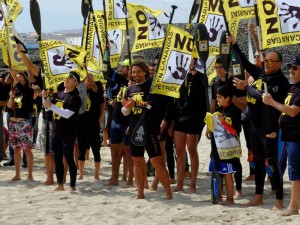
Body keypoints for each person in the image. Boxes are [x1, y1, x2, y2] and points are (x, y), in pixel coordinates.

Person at [227, 34, 290, 209]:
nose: (267, 63)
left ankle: (279, 200)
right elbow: (246, 64)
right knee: (258, 161)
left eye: (270, 61)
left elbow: (263, 97)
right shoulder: (261, 73)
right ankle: (259, 196)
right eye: (266, 60)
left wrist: (246, 87)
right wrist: (235, 45)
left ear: (279, 64)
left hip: (269, 128)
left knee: (272, 162)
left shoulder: (280, 82)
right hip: (254, 126)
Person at [121, 60, 172, 200]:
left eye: (138, 72)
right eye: (133, 72)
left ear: (145, 71)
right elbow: (125, 112)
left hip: (149, 128)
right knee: (137, 161)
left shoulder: (152, 86)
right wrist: (126, 107)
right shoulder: (130, 89)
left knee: (157, 162)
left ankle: (168, 193)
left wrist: (136, 103)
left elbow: (152, 107)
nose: (135, 74)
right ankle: (140, 193)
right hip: (134, 128)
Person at [262, 55, 300, 216]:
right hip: (287, 135)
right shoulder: (293, 87)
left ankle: (293, 206)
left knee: (294, 172)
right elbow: (284, 112)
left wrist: (271, 102)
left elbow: (292, 111)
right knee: (292, 170)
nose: (291, 70)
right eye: (290, 67)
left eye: (295, 68)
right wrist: (274, 128)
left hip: (296, 136)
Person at [205, 57, 246, 198]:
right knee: (217, 159)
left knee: (234, 159)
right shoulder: (215, 82)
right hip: (218, 124)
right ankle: (219, 192)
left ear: (226, 67)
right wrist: (209, 126)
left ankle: (238, 189)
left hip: (232, 121)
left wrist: (231, 95)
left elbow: (243, 105)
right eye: (215, 67)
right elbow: (212, 104)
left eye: (220, 67)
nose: (218, 70)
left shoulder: (234, 81)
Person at [169, 58, 208, 193]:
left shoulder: (201, 77)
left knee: (192, 150)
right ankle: (180, 184)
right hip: (180, 117)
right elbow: (174, 100)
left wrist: (193, 71)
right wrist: (171, 121)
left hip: (194, 118)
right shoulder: (179, 77)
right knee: (179, 152)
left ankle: (193, 184)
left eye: (191, 60)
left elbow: (204, 101)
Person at [42, 70, 82, 191]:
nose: (66, 79)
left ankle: (72, 185)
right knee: (57, 158)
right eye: (65, 77)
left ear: (76, 82)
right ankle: (60, 184)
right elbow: (48, 110)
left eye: (70, 78)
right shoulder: (58, 94)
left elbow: (67, 114)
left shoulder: (75, 97)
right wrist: (44, 98)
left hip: (68, 133)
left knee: (69, 157)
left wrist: (51, 106)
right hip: (56, 131)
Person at [208, 85, 242, 205]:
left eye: (219, 97)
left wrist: (222, 122)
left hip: (228, 148)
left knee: (227, 172)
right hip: (217, 147)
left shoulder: (233, 111)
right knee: (216, 170)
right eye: (216, 97)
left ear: (227, 98)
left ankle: (230, 198)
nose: (217, 99)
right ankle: (219, 195)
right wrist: (209, 126)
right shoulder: (219, 109)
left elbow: (234, 131)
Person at [6, 69, 34, 181]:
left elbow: (20, 85)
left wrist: (13, 73)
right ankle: (17, 174)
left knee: (27, 148)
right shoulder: (15, 90)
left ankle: (30, 175)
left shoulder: (28, 90)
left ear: (25, 79)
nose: (18, 78)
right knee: (16, 149)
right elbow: (8, 107)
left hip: (23, 123)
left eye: (20, 77)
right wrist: (11, 97)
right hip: (13, 122)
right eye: (17, 77)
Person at [77, 73, 104, 180]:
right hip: (81, 123)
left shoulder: (96, 91)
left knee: (96, 150)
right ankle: (81, 174)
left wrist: (87, 72)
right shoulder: (81, 91)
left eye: (90, 80)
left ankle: (96, 174)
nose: (88, 81)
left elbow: (102, 105)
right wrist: (83, 75)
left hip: (93, 124)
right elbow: (78, 84)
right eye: (86, 80)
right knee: (81, 150)